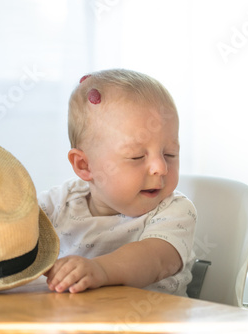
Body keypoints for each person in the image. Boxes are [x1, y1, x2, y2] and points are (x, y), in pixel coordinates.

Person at [39, 69, 196, 296]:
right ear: (85, 166)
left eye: (170, 153)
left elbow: (154, 259)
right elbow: (15, 226)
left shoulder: (175, 212)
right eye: (137, 157)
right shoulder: (59, 204)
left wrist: (100, 269)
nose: (160, 167)